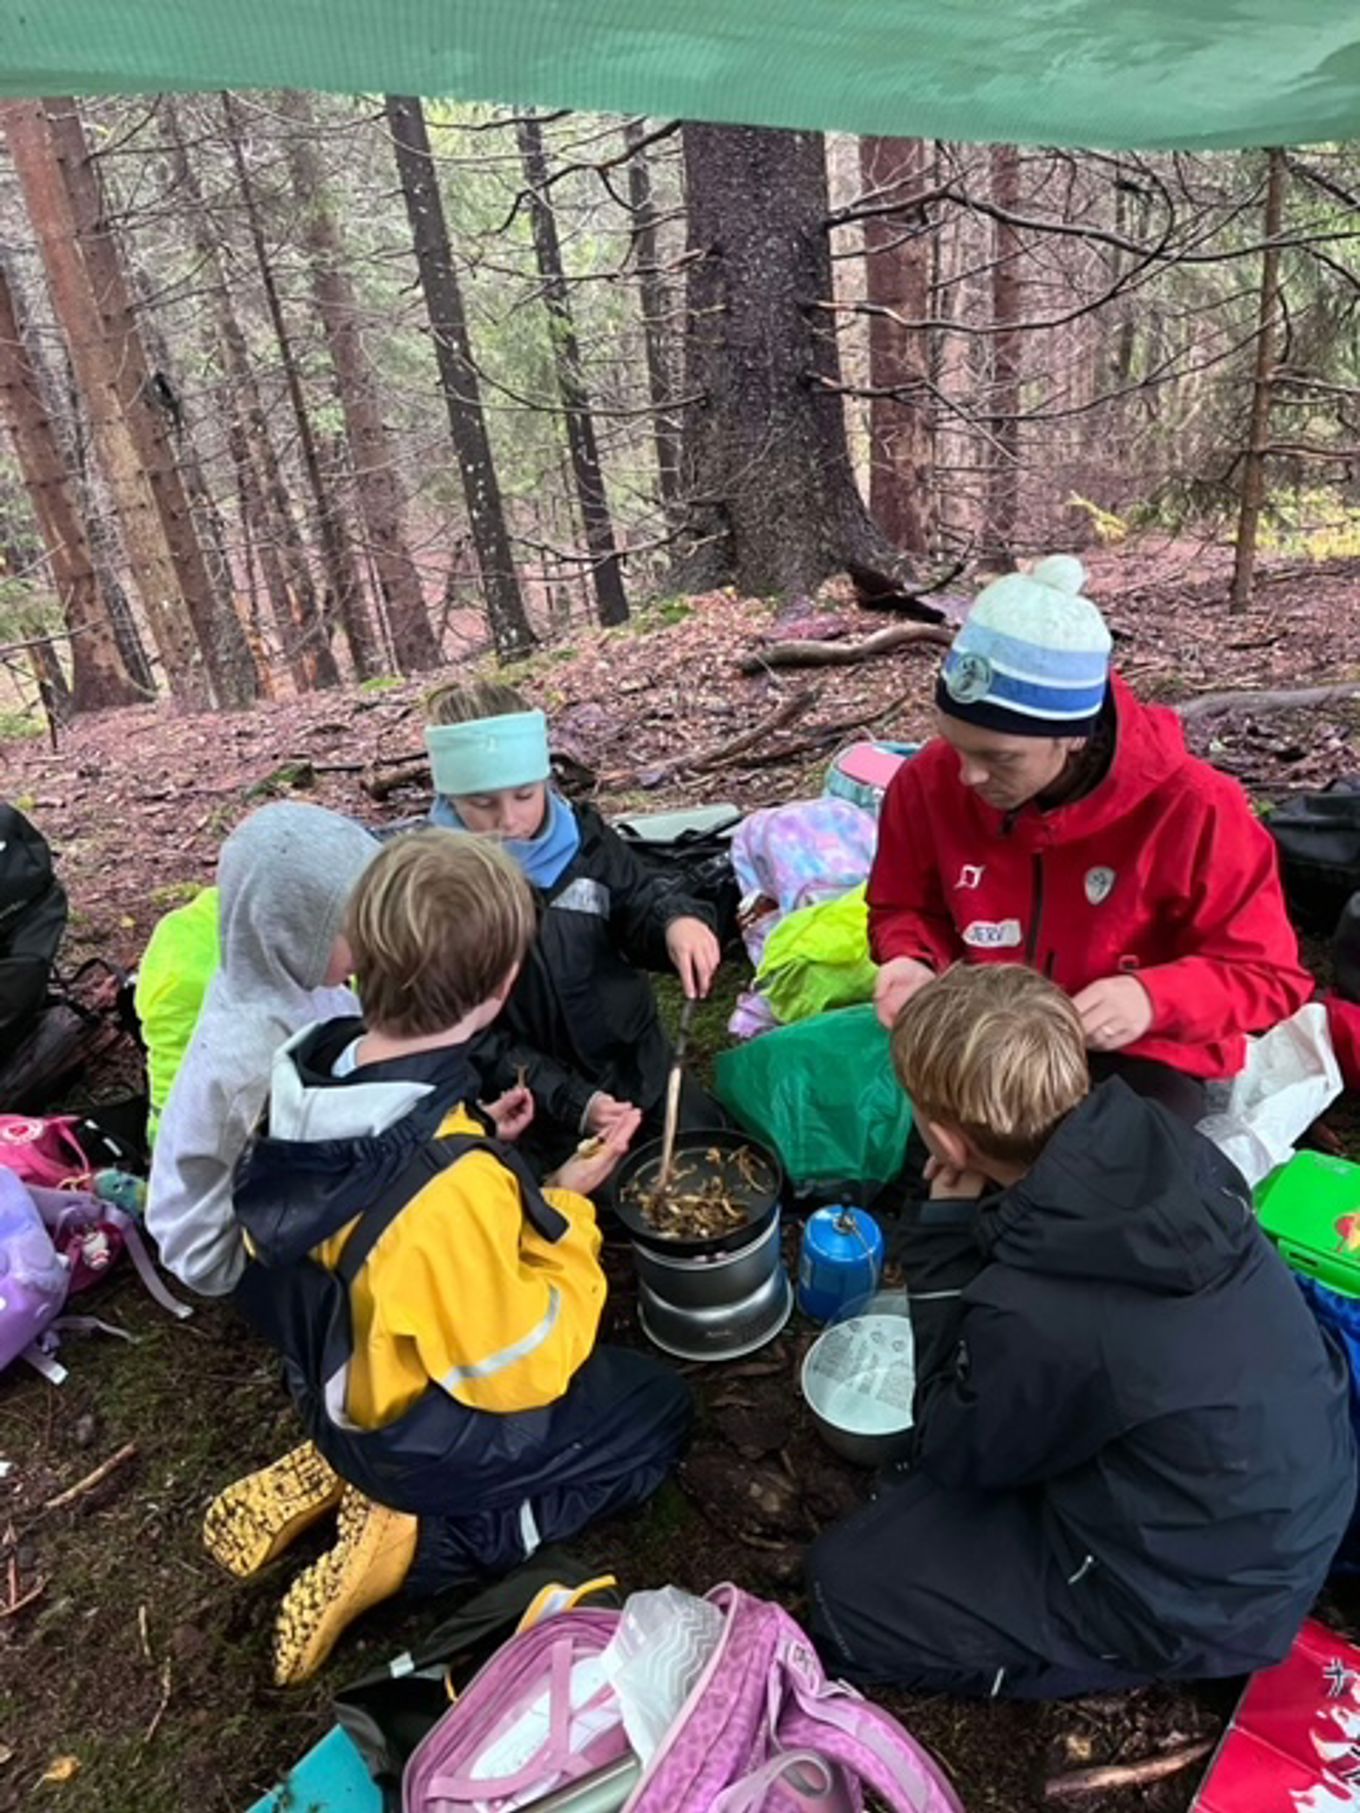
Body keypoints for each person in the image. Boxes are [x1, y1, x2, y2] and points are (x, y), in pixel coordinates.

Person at [212, 832, 692, 1684]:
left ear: (362, 962)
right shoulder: (447, 1190)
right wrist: (568, 1211)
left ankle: (341, 1461)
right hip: (423, 1435)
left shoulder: (306, 1075)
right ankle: (425, 1539)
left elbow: (384, 1195)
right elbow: (523, 1366)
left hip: (334, 1371)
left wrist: (487, 1147)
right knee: (656, 1411)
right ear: (505, 984)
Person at [807, 963, 1355, 1698]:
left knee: (846, 1591)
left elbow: (951, 1444)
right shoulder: (1168, 1145)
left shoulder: (1035, 1314)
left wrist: (940, 1238)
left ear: (945, 1136)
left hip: (1201, 1596)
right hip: (1292, 1494)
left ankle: (1089, 1658)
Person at [868, 555, 1311, 1124]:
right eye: (955, 745)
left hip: (1133, 1054)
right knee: (895, 1138)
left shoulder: (1196, 808)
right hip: (981, 1038)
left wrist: (1152, 997)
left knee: (1100, 1173)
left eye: (997, 758)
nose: (967, 777)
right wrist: (912, 958)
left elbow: (1270, 977)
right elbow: (903, 904)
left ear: (1073, 735)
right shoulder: (926, 783)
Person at [425, 679, 724, 1164]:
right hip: (537, 1102)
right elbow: (470, 1038)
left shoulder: (583, 841)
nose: (511, 820)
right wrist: (573, 1102)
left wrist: (677, 921)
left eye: (525, 794)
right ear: (451, 800)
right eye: (482, 804)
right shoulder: (438, 891)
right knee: (596, 1207)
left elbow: (640, 902)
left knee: (704, 1150)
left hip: (636, 1062)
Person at [145, 803, 379, 1296]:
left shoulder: (310, 980)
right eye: (352, 930)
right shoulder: (251, 1060)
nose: (370, 944)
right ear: (294, 928)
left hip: (281, 1179)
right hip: (222, 1243)